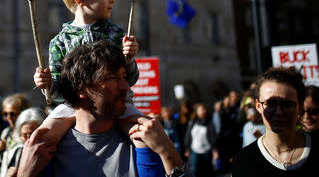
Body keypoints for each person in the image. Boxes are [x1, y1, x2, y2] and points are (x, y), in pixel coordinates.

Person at [19, 40, 192, 177]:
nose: (127, 87)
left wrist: (168, 152)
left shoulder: (143, 142)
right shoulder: (45, 152)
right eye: (112, 78)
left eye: (124, 76)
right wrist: (24, 173)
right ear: (81, 89)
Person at [33, 0, 143, 144]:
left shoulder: (116, 35)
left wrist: (129, 58)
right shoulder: (60, 42)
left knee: (145, 134)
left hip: (117, 103)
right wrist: (47, 84)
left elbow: (130, 79)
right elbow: (57, 93)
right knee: (40, 139)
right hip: (73, 107)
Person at [232, 67, 319, 176]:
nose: (279, 112)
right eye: (270, 103)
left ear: (300, 107)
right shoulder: (243, 161)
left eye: (287, 104)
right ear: (258, 106)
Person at [1, 107, 46, 177]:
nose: (29, 140)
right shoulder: (19, 151)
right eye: (24, 135)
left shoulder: (51, 153)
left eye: (32, 134)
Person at [0, 94, 31, 169]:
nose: (9, 117)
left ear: (23, 113)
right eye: (5, 114)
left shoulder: (28, 133)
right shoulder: (6, 132)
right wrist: (0, 150)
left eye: (12, 114)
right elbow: (4, 161)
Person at [184, 102, 218, 177]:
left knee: (208, 171)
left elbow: (213, 137)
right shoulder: (192, 122)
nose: (204, 111)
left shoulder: (209, 122)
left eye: (204, 109)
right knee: (194, 170)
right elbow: (188, 135)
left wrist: (215, 150)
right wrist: (187, 148)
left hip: (207, 150)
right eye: (202, 109)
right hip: (194, 150)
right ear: (197, 112)